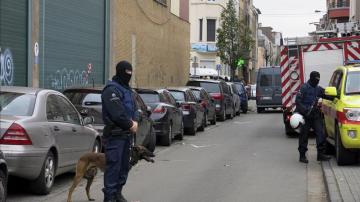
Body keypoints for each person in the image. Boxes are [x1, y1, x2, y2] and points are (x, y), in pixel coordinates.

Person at [101, 61, 138, 202]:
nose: (128, 76)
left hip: (127, 136)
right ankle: (109, 197)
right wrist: (130, 124)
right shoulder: (111, 89)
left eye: (130, 73)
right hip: (115, 136)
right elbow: (117, 113)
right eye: (126, 73)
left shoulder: (127, 90)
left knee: (123, 168)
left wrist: (135, 121)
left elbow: (134, 109)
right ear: (119, 72)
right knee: (113, 167)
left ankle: (117, 193)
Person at [295, 71, 331, 163]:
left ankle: (320, 154)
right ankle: (302, 156)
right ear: (311, 78)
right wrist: (305, 111)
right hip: (306, 116)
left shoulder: (318, 88)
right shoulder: (304, 88)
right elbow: (298, 102)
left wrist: (336, 96)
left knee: (321, 134)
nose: (317, 81)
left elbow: (326, 94)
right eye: (316, 79)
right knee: (304, 136)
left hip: (315, 115)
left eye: (318, 79)